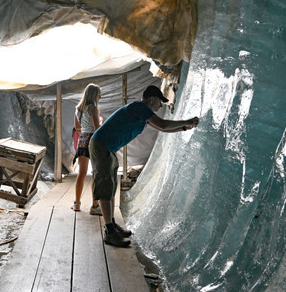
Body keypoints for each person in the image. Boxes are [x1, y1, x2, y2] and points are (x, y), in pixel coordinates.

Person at [89, 85, 200, 247]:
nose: (160, 106)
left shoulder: (140, 112)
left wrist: (183, 128)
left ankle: (111, 224)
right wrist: (188, 121)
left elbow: (162, 129)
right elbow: (162, 124)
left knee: (111, 187)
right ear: (151, 99)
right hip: (101, 145)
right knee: (105, 188)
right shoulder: (140, 107)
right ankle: (109, 232)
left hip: (108, 147)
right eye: (159, 102)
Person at [72, 83, 103, 214]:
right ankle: (94, 207)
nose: (100, 97)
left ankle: (77, 204)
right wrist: (101, 121)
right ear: (94, 95)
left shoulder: (78, 109)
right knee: (96, 174)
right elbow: (97, 128)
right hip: (93, 140)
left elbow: (77, 127)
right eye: (99, 95)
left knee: (82, 173)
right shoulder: (93, 108)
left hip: (82, 140)